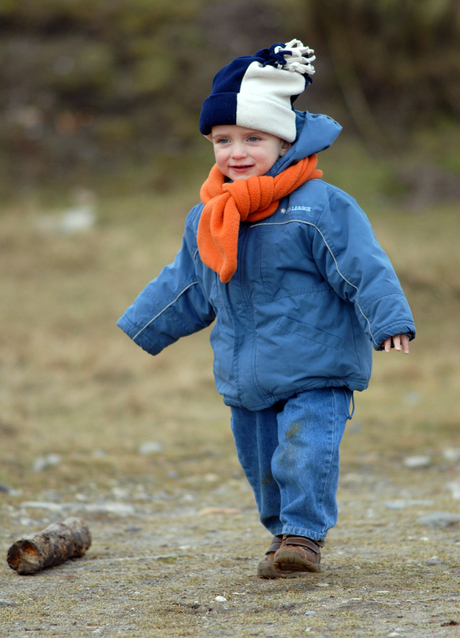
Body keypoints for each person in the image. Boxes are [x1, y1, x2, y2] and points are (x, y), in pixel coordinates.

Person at [117, 39, 416, 579]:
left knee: (304, 452)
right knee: (262, 468)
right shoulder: (208, 215)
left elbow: (363, 266)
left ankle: (305, 536)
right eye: (223, 139)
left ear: (284, 140)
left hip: (317, 366)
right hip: (245, 370)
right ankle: (282, 534)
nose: (236, 152)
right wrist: (145, 323)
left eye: (253, 138)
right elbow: (190, 281)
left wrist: (388, 319)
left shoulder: (319, 205)